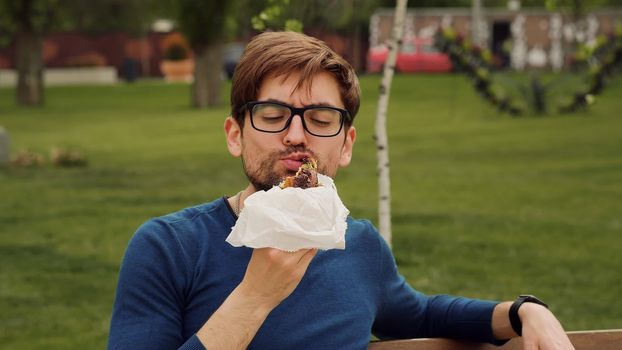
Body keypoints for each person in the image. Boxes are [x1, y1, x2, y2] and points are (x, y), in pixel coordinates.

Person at [108, 31, 574, 350]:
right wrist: (255, 296)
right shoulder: (168, 247)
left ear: (346, 145)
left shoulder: (359, 245)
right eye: (272, 115)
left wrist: (525, 312)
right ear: (235, 135)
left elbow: (424, 314)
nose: (295, 135)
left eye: (320, 119)